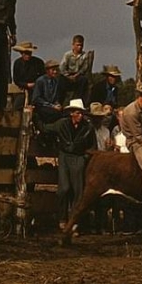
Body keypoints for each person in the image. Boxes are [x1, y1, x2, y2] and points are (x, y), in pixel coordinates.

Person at [46, 99, 95, 230]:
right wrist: (35, 118)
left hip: (79, 157)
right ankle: (62, 218)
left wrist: (84, 157)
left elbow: (92, 146)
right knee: (64, 189)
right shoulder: (62, 124)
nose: (80, 116)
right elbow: (46, 128)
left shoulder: (88, 127)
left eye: (81, 113)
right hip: (64, 156)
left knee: (78, 191)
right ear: (71, 113)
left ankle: (74, 221)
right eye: (78, 113)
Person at [59, 34, 93, 104]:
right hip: (67, 75)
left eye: (81, 45)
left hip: (78, 75)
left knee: (83, 80)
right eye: (78, 45)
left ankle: (77, 101)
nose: (79, 47)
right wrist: (68, 76)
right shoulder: (68, 55)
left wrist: (76, 75)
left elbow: (84, 68)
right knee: (60, 81)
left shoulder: (84, 55)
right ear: (73, 45)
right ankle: (60, 102)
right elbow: (62, 67)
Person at [32, 60, 67, 125]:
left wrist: (57, 103)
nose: (55, 72)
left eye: (56, 70)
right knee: (54, 114)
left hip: (53, 106)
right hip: (42, 106)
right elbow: (36, 99)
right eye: (53, 70)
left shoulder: (56, 81)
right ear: (47, 71)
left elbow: (56, 96)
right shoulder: (40, 81)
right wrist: (52, 106)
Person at [11, 41, 45, 108]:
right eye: (25, 53)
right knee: (17, 106)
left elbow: (43, 77)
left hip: (37, 90)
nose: (28, 55)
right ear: (21, 53)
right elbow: (16, 79)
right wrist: (26, 85)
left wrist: (35, 84)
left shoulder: (38, 62)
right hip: (22, 90)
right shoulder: (17, 63)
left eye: (29, 53)